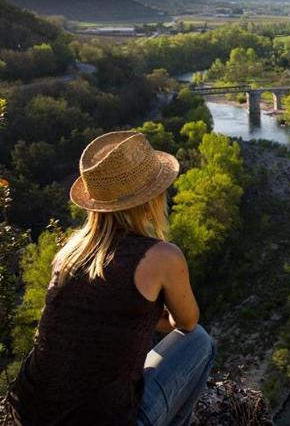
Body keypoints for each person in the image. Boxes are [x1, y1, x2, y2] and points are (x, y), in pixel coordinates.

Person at [7, 131, 214, 426]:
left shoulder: (68, 253)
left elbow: (102, 316)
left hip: (28, 415)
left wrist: (143, 313)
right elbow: (187, 323)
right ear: (152, 197)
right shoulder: (162, 256)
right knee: (201, 342)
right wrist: (160, 315)